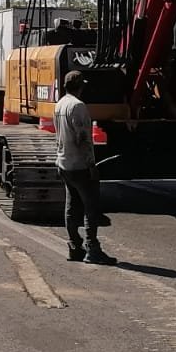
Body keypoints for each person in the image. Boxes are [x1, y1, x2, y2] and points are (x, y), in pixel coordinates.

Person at [53, 71, 116, 265]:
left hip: (64, 163)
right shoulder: (78, 106)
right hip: (79, 165)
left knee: (71, 206)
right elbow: (83, 139)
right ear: (80, 87)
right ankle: (92, 249)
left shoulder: (60, 104)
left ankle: (74, 247)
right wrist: (91, 165)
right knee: (91, 207)